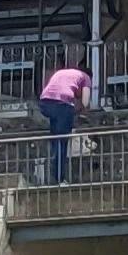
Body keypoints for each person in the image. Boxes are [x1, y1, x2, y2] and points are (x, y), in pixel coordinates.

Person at [35, 57, 96, 185]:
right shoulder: (86, 77)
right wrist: (85, 112)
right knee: (62, 143)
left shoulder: (62, 73)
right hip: (62, 105)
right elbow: (85, 102)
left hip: (45, 103)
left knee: (56, 138)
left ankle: (54, 164)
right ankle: (59, 179)